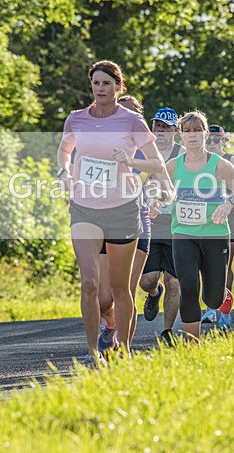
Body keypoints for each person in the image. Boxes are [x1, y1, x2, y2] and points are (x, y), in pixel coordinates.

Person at [57, 60, 164, 367]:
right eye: (96, 83)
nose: (100, 89)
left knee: (120, 288)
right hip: (84, 207)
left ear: (119, 87)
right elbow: (65, 150)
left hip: (122, 209)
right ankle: (93, 353)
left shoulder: (132, 122)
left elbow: (156, 164)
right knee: (90, 282)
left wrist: (129, 162)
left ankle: (126, 350)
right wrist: (63, 171)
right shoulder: (77, 119)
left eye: (106, 83)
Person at [167, 111, 234, 343]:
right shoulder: (173, 166)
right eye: (187, 131)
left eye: (197, 131)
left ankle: (220, 298)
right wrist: (155, 200)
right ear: (180, 135)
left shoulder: (220, 165)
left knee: (213, 299)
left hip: (215, 234)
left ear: (205, 134)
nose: (192, 135)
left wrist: (230, 204)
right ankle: (193, 344)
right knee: (189, 287)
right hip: (183, 233)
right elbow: (157, 189)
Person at [96, 95, 165, 353]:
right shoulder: (101, 146)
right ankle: (111, 324)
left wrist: (156, 198)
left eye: (131, 111)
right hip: (104, 220)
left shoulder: (144, 148)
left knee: (125, 290)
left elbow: (159, 179)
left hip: (137, 221)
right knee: (104, 300)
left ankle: (124, 350)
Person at [139, 107, 185, 345]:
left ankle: (167, 332)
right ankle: (153, 293)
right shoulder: (146, 152)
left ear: (176, 130)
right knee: (146, 280)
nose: (161, 131)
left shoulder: (185, 154)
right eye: (157, 126)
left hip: (178, 225)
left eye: (166, 127)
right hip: (150, 222)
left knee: (174, 281)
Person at [201, 124, 234, 328]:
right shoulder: (199, 160)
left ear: (224, 141)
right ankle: (210, 308)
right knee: (205, 266)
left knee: (224, 266)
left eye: (216, 140)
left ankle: (225, 312)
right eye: (209, 140)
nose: (212, 144)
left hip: (228, 217)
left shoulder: (230, 161)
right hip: (202, 219)